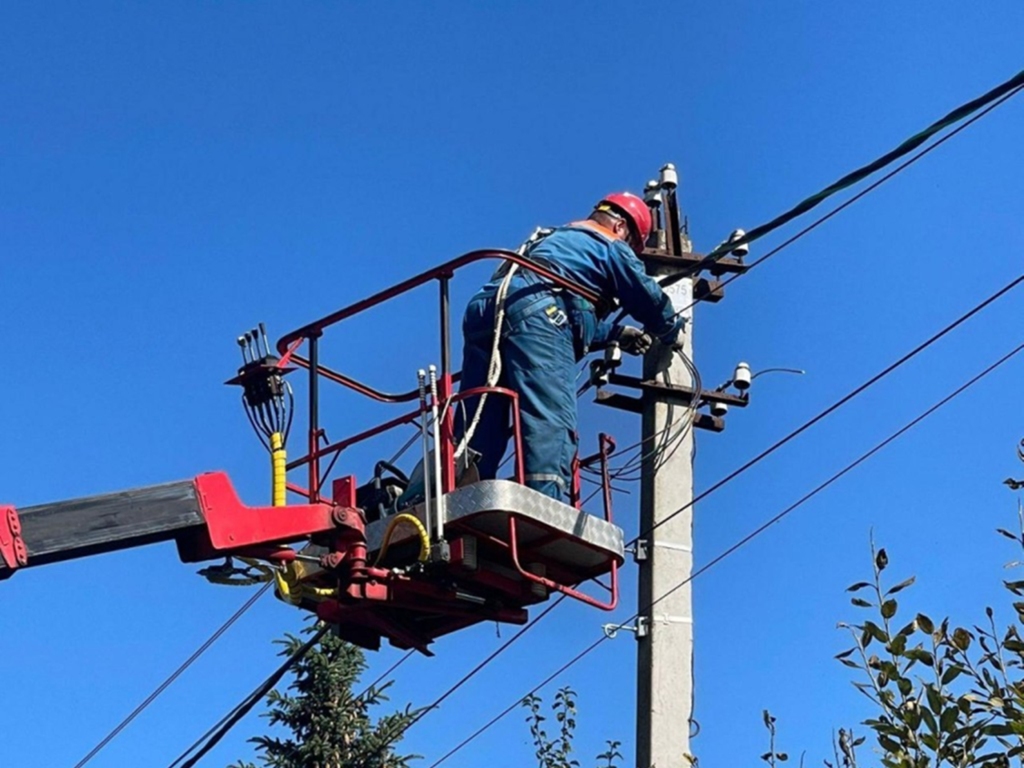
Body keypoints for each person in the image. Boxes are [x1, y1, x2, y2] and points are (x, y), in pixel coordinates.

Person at [454, 192, 685, 503]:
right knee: (550, 415)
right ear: (620, 227)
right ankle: (542, 502)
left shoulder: (551, 239)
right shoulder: (609, 244)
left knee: (480, 416)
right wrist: (671, 328)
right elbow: (644, 294)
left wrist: (616, 333)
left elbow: (566, 316)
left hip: (487, 309)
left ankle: (456, 491)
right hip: (538, 313)